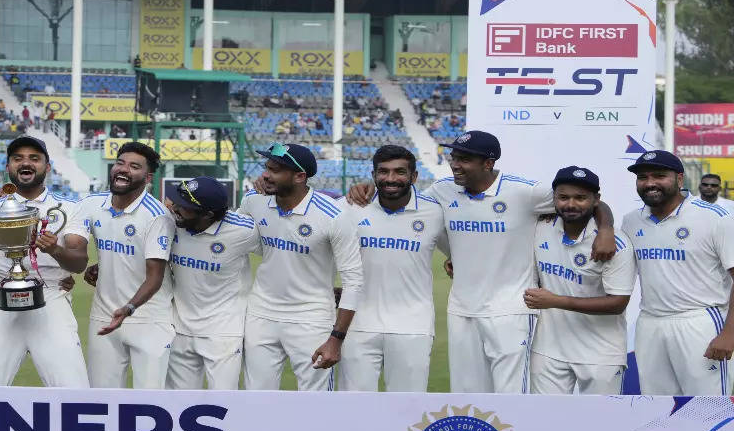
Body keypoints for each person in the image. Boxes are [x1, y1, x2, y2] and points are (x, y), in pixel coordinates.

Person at [347, 130, 617, 394]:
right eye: (454, 157)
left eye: (464, 159)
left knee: (512, 398)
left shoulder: (525, 192)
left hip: (511, 310)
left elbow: (590, 201)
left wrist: (606, 230)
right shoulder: (443, 191)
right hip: (462, 311)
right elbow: (402, 198)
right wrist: (367, 188)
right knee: (468, 397)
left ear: (488, 164)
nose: (455, 164)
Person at [623, 150, 734, 395]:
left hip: (700, 322)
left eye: (659, 175)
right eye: (643, 177)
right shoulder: (631, 221)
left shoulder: (713, 217)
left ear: (679, 179)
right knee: (657, 408)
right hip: (650, 323)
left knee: (707, 408)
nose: (650, 183)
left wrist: (729, 332)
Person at [237, 142, 363, 392]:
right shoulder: (254, 202)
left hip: (311, 318)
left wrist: (335, 340)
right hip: (261, 314)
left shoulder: (333, 216)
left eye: (275, 170)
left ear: (299, 176)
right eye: (267, 168)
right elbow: (238, 239)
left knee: (315, 403)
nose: (265, 175)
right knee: (256, 398)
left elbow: (354, 281)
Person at [0, 136, 89, 387]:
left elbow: (78, 263)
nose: (26, 163)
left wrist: (55, 249)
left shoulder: (68, 208)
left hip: (52, 300)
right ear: (8, 166)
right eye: (18, 158)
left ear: (48, 167)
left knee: (72, 390)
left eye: (35, 158)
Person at [61, 142, 175, 389]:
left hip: (148, 319)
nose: (123, 170)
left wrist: (129, 307)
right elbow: (80, 248)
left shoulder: (157, 216)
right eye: (120, 163)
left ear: (148, 177)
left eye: (134, 166)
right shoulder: (92, 204)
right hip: (104, 316)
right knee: (102, 398)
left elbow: (154, 278)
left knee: (150, 401)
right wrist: (91, 268)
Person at [337, 145, 447, 393]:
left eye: (399, 172)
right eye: (383, 172)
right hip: (358, 324)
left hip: (413, 327)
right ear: (374, 175)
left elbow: (459, 251)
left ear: (414, 177)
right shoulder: (351, 206)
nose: (390, 179)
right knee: (353, 409)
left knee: (408, 410)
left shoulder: (435, 212)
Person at [526, 167, 636, 395]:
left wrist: (555, 301)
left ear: (596, 199)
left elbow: (617, 303)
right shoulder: (540, 226)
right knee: (546, 422)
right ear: (554, 198)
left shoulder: (616, 244)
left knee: (600, 426)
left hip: (601, 353)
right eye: (563, 197)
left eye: (581, 198)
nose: (571, 204)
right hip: (548, 350)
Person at [163, 176, 259, 390]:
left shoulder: (244, 231)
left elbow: (282, 252)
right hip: (179, 329)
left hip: (223, 332)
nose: (175, 208)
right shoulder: (171, 221)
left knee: (223, 404)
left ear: (208, 214)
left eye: (184, 207)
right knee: (179, 404)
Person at [698, 173, 734, 241]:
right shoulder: (689, 204)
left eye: (714, 185)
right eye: (705, 184)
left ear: (719, 188)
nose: (709, 187)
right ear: (700, 187)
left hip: (723, 249)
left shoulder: (731, 205)